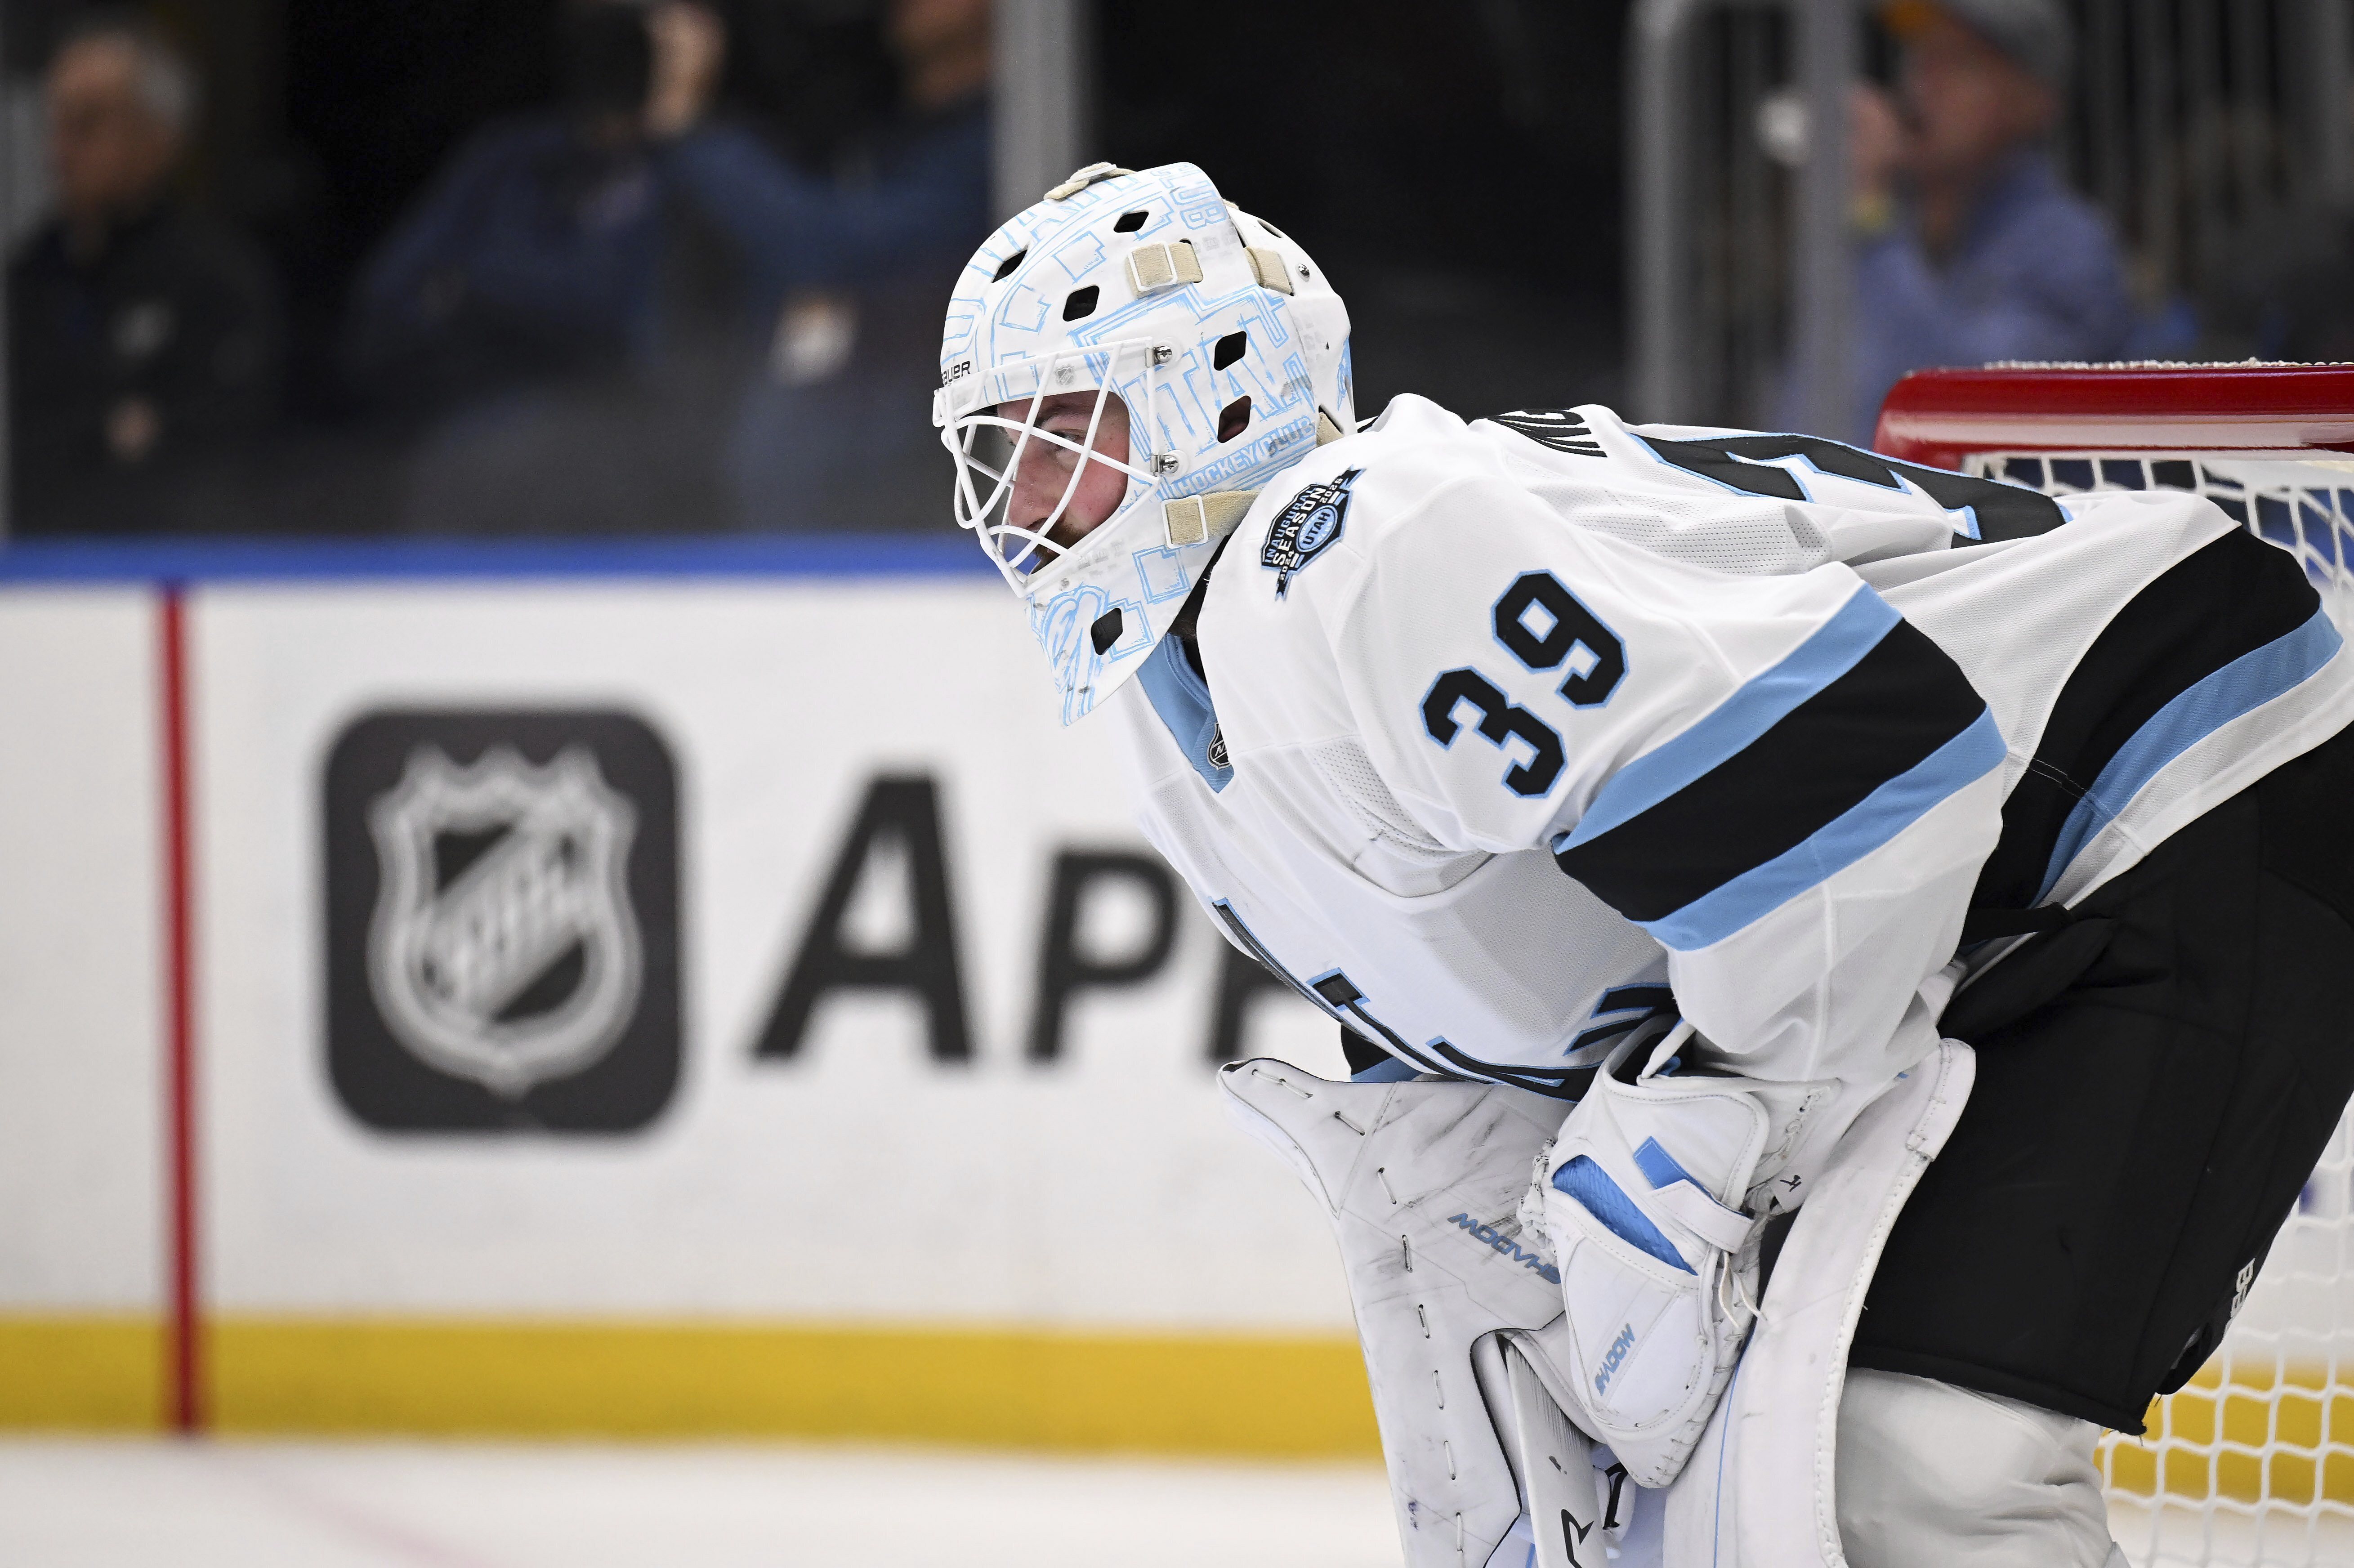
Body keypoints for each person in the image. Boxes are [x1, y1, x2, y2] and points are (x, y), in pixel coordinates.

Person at [931, 161, 2354, 1566]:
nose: (1022, 492)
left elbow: (1861, 782)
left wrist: (1690, 1166)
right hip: (1960, 913)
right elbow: (1467, 1048)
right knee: (1766, 1506)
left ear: (1218, 392)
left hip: (2184, 779)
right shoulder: (1166, 706)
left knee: (1920, 1473)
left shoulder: (1365, 543)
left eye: (1068, 427)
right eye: (998, 447)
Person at [650, 0, 992, 530]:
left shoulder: (1010, 142)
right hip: (782, 452)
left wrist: (691, 127)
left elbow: (841, 251)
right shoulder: (875, 127)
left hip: (925, 473)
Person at [1808, 0, 2135, 444]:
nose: (1923, 84)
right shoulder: (1894, 229)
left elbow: (1946, 405)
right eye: (1921, 57)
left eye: (1959, 63)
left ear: (2033, 100)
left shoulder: (2069, 250)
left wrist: (1871, 218)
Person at [9, 14, 282, 533]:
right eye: (56, 124)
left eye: (87, 124)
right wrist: (105, 432)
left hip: (158, 558)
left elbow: (219, 450)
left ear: (157, 138)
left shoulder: (217, 281)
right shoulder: (24, 282)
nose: (59, 152)